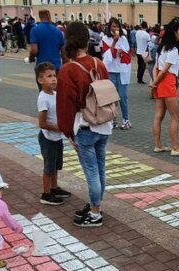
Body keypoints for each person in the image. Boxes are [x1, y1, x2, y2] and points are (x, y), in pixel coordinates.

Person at [57, 21, 112, 228]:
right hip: (104, 124)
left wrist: (68, 132)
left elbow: (65, 106)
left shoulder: (68, 69)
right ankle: (96, 204)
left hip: (84, 125)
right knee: (100, 168)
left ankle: (95, 213)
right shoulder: (99, 64)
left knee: (91, 171)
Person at [150, 21, 179, 156]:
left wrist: (154, 82)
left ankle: (158, 145)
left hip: (160, 82)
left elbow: (156, 67)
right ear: (174, 32)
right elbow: (165, 70)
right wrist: (155, 81)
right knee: (175, 116)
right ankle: (175, 147)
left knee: (158, 115)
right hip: (167, 81)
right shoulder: (173, 49)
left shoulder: (161, 48)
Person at [35, 62, 70, 206]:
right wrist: (60, 128)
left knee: (56, 164)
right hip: (47, 138)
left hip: (56, 137)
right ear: (40, 80)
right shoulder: (43, 98)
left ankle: (54, 188)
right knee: (49, 167)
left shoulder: (55, 94)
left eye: (55, 75)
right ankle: (46, 193)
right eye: (49, 76)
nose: (54, 79)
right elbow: (42, 123)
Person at [102, 18, 131, 130]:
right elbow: (106, 56)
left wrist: (121, 52)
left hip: (122, 71)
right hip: (111, 71)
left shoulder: (123, 39)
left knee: (122, 96)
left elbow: (128, 54)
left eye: (117, 26)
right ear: (109, 27)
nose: (115, 29)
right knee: (112, 97)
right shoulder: (105, 39)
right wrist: (114, 42)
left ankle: (126, 119)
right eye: (113, 26)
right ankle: (112, 119)